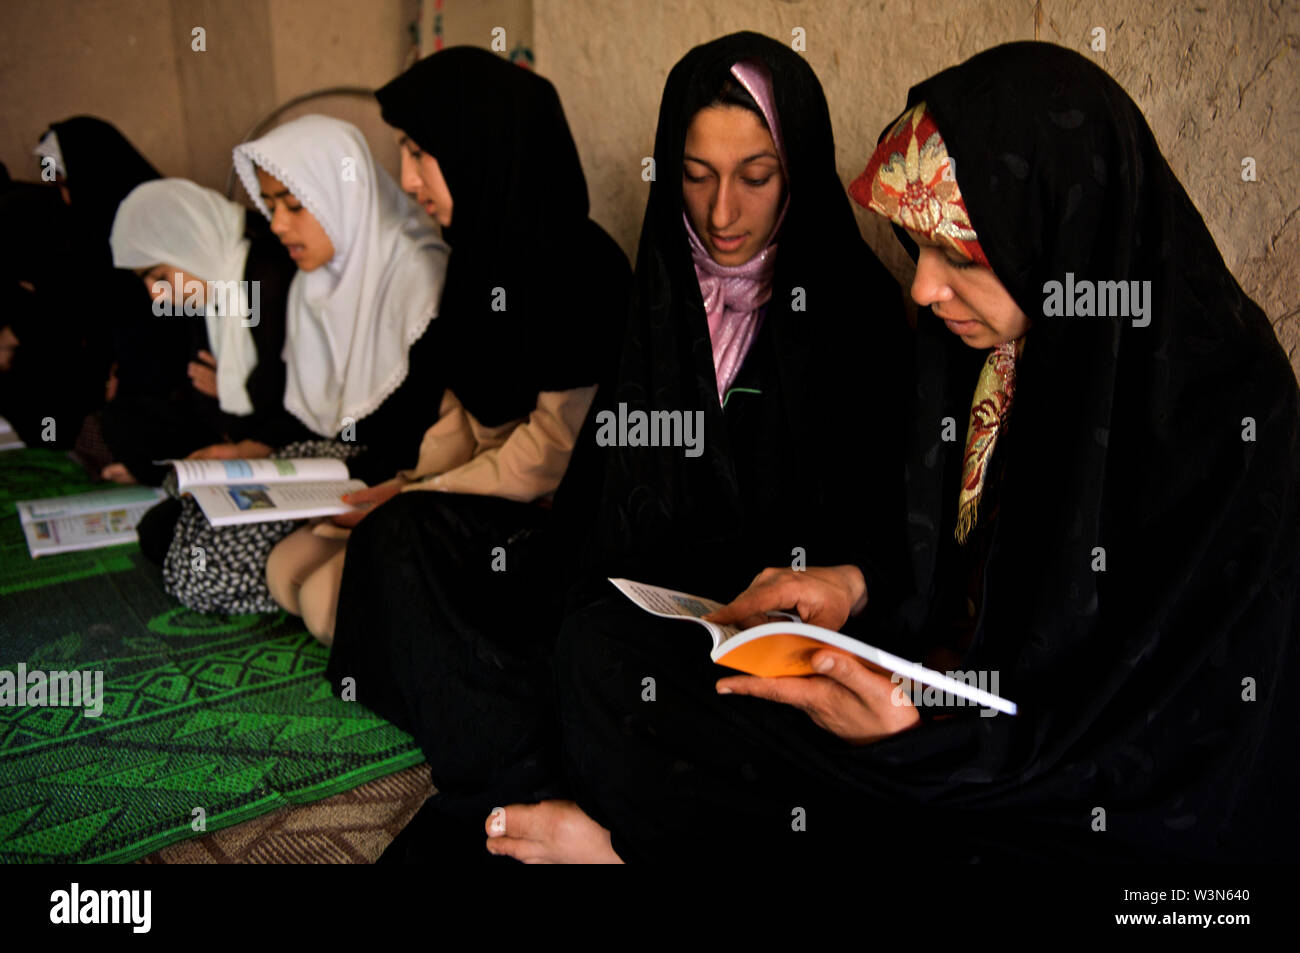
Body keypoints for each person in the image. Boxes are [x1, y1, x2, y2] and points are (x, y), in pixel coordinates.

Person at [488, 40, 1300, 863]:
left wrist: (918, 733)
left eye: (961, 255)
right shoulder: (986, 358)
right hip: (923, 715)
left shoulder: (1221, 412)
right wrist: (854, 583)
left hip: (1052, 786)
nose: (921, 287)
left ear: (1062, 231)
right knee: (607, 654)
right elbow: (938, 576)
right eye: (920, 249)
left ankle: (639, 844)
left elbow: (1170, 741)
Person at [343, 31, 909, 863]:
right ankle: (534, 771)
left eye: (757, 178)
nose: (721, 214)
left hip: (745, 634)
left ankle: (531, 785)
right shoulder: (665, 286)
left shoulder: (854, 309)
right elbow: (601, 490)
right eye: (695, 176)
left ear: (801, 168)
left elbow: (881, 531)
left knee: (595, 655)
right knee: (412, 540)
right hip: (634, 587)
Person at [268, 48, 633, 644]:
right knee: (288, 571)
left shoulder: (579, 267)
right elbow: (466, 412)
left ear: (478, 142)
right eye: (404, 153)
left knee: (327, 604)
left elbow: (551, 455)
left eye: (420, 151)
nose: (409, 182)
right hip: (478, 486)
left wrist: (420, 496)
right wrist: (402, 485)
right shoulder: (476, 255)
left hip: (547, 510)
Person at [149, 115, 449, 615]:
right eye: (269, 207)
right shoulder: (311, 284)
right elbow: (304, 406)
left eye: (294, 205)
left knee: (202, 559)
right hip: (322, 463)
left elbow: (416, 433)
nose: (279, 225)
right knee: (173, 512)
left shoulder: (416, 276)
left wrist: (319, 478)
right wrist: (253, 448)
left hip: (382, 474)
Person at [102, 178, 303, 491]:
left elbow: (290, 399)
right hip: (238, 426)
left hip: (282, 435)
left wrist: (229, 391)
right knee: (123, 419)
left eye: (159, 276)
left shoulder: (268, 279)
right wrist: (225, 394)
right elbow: (200, 388)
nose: (156, 295)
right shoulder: (208, 292)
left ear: (190, 245)